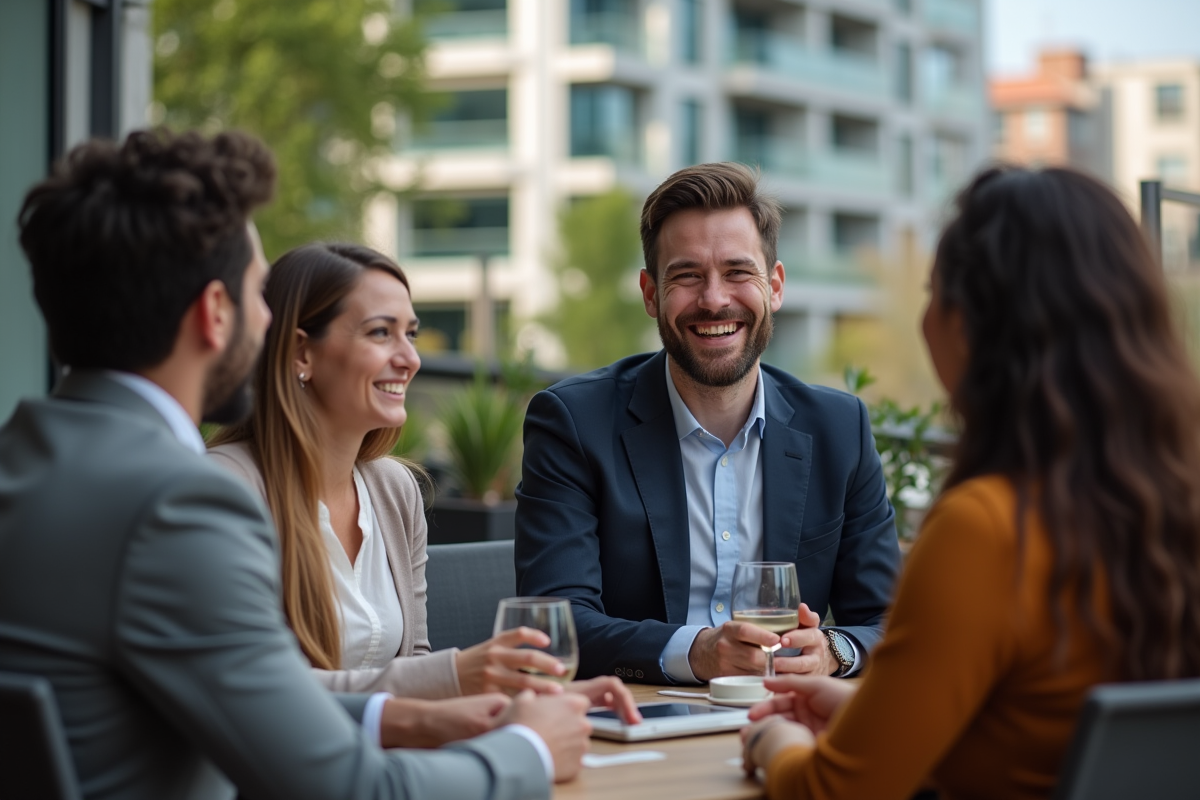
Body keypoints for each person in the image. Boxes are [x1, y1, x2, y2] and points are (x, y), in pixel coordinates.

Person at [0, 128, 590, 800]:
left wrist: (416, 716)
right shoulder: (177, 502)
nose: (268, 324)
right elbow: (347, 787)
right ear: (214, 313)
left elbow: (241, 707)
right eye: (258, 295)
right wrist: (528, 749)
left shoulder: (26, 461)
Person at [741, 166, 1200, 800]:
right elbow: (1046, 736)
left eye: (933, 292)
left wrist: (774, 742)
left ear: (968, 324)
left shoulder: (987, 531)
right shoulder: (1168, 506)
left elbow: (832, 793)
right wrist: (873, 719)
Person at [208, 242, 638, 721]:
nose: (410, 358)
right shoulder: (225, 490)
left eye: (410, 334)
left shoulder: (394, 490)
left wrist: (513, 705)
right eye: (380, 332)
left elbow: (415, 666)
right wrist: (457, 675)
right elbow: (256, 690)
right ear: (300, 352)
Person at [516, 162, 901, 684]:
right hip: (638, 719)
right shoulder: (573, 424)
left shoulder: (840, 429)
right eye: (687, 276)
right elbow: (556, 624)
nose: (715, 299)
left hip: (787, 712)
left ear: (775, 286)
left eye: (738, 272)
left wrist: (833, 650)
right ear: (651, 294)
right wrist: (696, 652)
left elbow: (890, 622)